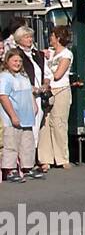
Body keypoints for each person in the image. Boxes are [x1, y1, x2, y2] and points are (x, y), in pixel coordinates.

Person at [37, 25, 73, 170]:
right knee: (45, 124)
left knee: (59, 123)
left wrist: (49, 77)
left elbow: (58, 75)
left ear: (58, 38)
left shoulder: (66, 54)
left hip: (61, 90)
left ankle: (62, 157)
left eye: (52, 36)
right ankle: (45, 158)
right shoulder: (50, 53)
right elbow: (45, 71)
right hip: (48, 90)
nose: (50, 38)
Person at [0, 49, 39, 182]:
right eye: (14, 60)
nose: (17, 63)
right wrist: (13, 116)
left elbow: (29, 92)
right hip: (12, 119)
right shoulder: (5, 77)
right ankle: (10, 170)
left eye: (20, 61)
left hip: (27, 117)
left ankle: (27, 167)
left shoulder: (24, 76)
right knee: (11, 144)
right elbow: (3, 97)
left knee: (27, 144)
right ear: (8, 61)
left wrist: (34, 105)